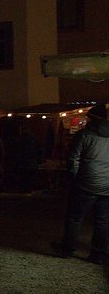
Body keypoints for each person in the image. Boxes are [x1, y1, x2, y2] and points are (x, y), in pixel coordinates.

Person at [50, 102, 109, 265]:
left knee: (75, 218)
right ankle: (99, 254)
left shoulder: (84, 135)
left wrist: (76, 178)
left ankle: (67, 249)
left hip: (86, 182)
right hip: (107, 185)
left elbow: (73, 159)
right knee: (102, 221)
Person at [9, 124, 41, 193]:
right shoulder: (34, 139)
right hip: (32, 163)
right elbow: (39, 151)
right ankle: (28, 192)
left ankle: (23, 193)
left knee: (23, 180)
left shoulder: (20, 140)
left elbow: (17, 152)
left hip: (22, 164)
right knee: (29, 180)